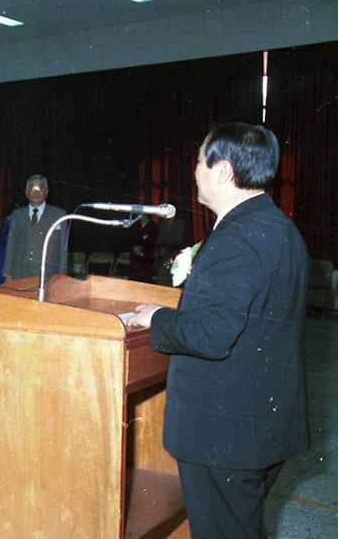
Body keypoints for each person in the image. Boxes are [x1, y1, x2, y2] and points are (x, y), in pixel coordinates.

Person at [127, 123, 309, 539]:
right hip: (259, 428)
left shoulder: (236, 237)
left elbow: (212, 334)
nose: (194, 171)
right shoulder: (280, 228)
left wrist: (157, 317)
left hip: (225, 435)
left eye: (198, 161)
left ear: (223, 171)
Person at [2, 174, 67, 282]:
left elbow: (63, 250)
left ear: (46, 192)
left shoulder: (59, 215)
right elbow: (10, 245)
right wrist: (8, 274)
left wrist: (62, 277)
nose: (36, 191)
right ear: (26, 192)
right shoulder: (17, 215)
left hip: (49, 277)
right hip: (20, 275)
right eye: (32, 188)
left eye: (40, 188)